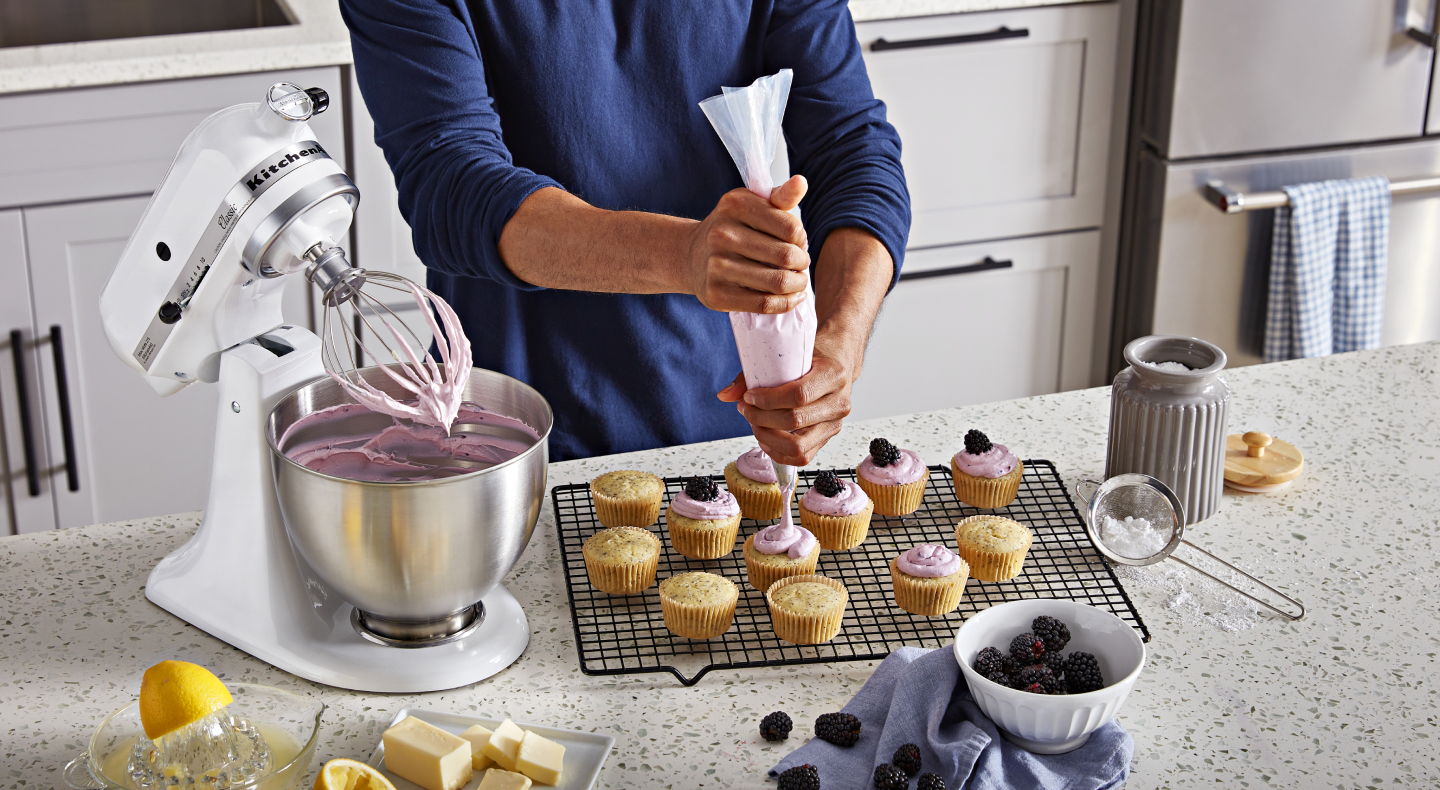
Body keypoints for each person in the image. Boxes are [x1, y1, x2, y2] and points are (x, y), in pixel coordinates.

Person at [340, 0, 910, 464]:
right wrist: (687, 255)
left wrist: (839, 341)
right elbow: (452, 185)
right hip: (518, 428)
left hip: (735, 413)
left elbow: (853, 151)